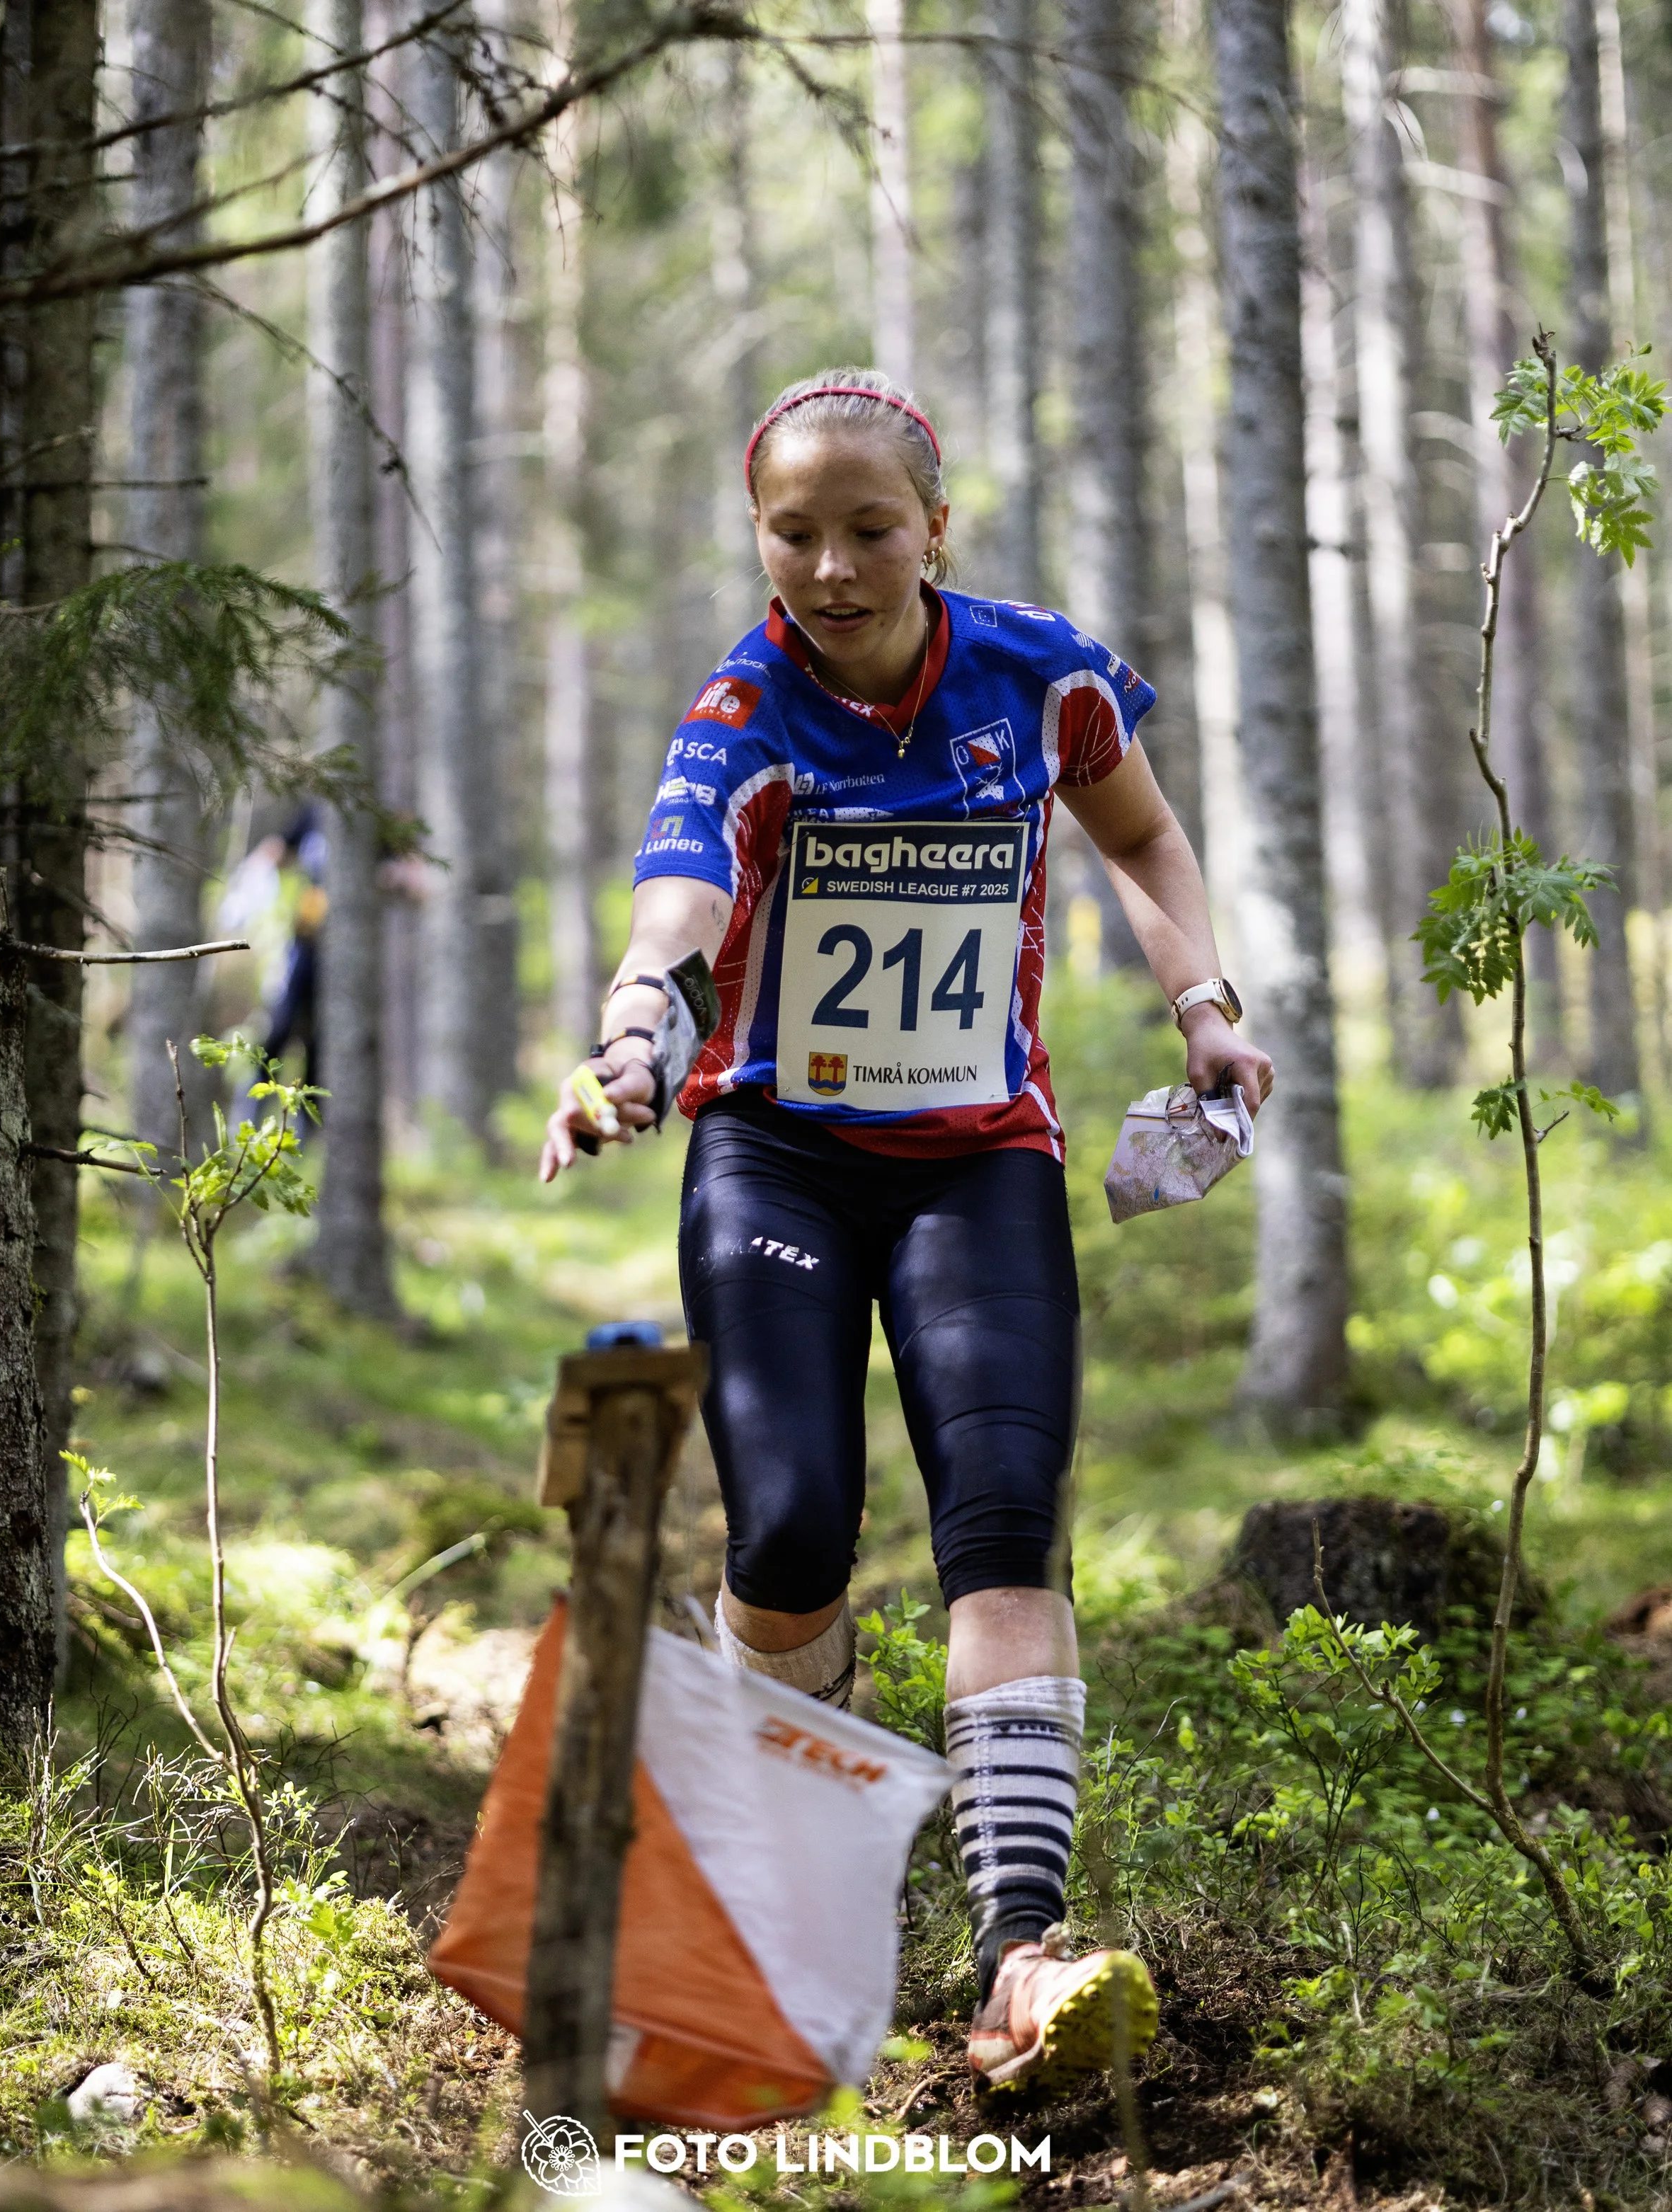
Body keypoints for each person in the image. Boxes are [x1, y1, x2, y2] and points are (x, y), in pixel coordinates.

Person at [539, 369, 1273, 2095]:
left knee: (1003, 1514)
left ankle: (1020, 1953)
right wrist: (637, 1023)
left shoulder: (1038, 672)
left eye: (868, 528)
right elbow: (682, 895)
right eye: (791, 532)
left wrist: (1204, 1002)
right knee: (791, 1530)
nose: (829, 565)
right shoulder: (742, 703)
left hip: (977, 1160)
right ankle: (783, 1895)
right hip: (778, 1157)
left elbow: (1143, 832)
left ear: (933, 527)